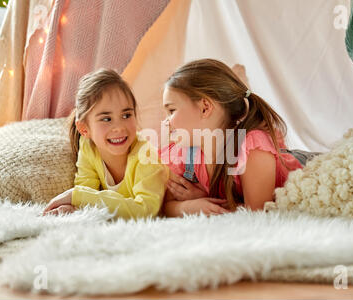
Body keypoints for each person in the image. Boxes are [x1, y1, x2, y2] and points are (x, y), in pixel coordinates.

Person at [160, 59, 303, 217]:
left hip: (301, 167)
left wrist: (205, 199)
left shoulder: (252, 147)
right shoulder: (185, 152)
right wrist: (189, 207)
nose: (165, 121)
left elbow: (257, 213)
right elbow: (164, 206)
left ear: (205, 108)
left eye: (171, 110)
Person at [43, 68, 169, 220]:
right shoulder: (88, 147)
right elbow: (87, 191)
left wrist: (76, 196)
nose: (119, 127)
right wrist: (73, 208)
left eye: (126, 115)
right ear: (84, 129)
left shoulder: (147, 155)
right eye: (107, 119)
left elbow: (146, 211)